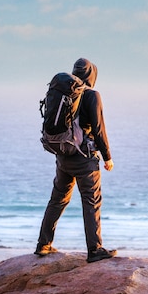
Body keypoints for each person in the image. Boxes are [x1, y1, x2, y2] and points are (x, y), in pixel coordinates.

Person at [35, 57, 117, 263]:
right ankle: (95, 249)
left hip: (63, 156)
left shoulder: (66, 92)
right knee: (91, 201)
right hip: (84, 159)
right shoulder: (92, 95)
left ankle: (43, 244)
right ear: (92, 75)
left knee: (58, 199)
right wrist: (107, 157)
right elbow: (99, 129)